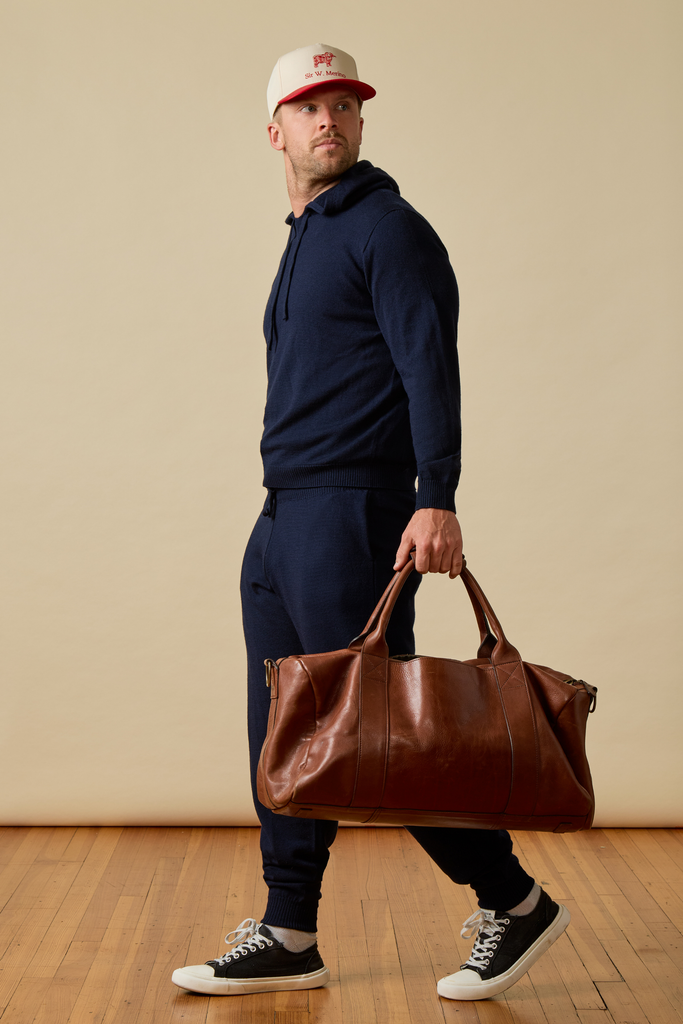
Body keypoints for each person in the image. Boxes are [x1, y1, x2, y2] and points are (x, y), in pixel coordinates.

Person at [172, 43, 569, 1002]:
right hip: (283, 514)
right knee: (285, 727)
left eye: (345, 105)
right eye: (310, 107)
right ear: (275, 131)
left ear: (360, 121)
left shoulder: (389, 229)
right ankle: (288, 931)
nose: (330, 120)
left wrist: (438, 495)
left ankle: (513, 900)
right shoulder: (307, 232)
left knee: (373, 731)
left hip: (353, 512)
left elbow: (430, 367)